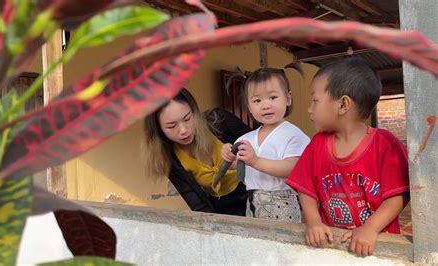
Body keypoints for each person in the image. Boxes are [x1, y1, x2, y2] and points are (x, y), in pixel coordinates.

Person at [285, 57, 410, 257]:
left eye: (315, 100)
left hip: (377, 247)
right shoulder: (317, 145)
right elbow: (306, 190)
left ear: (343, 104)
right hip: (332, 245)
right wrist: (314, 222)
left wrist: (370, 228)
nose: (309, 108)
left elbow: (397, 197)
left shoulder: (385, 145)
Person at [221, 63, 310, 222]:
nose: (266, 105)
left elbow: (293, 167)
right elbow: (239, 164)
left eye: (273, 97)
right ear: (248, 106)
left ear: (288, 98)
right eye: (257, 100)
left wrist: (255, 161)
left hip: (283, 205)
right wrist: (229, 157)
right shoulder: (246, 138)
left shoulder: (293, 135)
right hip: (252, 204)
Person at [143, 88, 250, 216]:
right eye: (172, 126)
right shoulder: (171, 160)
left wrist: (244, 161)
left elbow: (263, 148)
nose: (183, 130)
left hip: (258, 197)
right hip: (224, 211)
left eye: (187, 119)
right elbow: (199, 205)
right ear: (159, 130)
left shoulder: (220, 120)